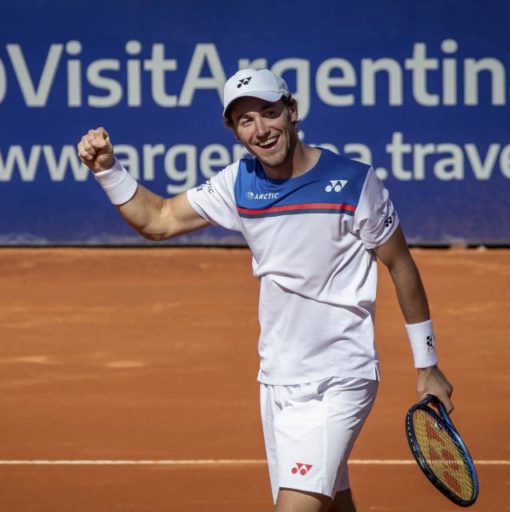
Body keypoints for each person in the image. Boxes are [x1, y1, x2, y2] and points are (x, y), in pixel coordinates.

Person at [78, 68, 454, 512]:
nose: (261, 129)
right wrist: (108, 170)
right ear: (234, 131)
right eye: (245, 120)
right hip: (276, 379)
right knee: (334, 504)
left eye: (269, 113)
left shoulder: (354, 182)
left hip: (338, 377)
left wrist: (426, 363)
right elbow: (158, 219)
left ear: (292, 112)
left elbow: (400, 263)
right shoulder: (238, 184)